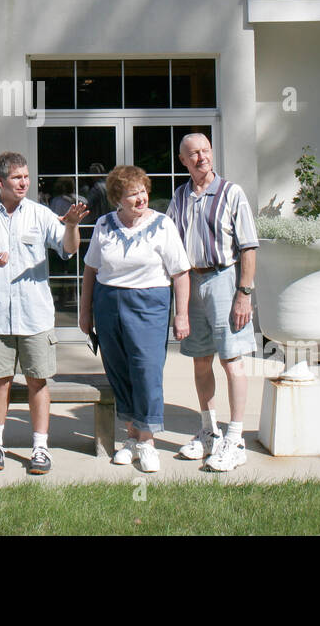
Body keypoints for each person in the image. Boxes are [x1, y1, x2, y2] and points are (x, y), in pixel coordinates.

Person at [0, 151, 87, 474]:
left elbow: (68, 249)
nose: (24, 183)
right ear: (1, 181)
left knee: (38, 382)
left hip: (36, 318)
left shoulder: (40, 214)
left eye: (27, 177)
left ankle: (40, 448)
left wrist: (71, 225)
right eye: (17, 178)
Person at [79, 165, 190, 473]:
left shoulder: (163, 225)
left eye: (143, 192)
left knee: (146, 369)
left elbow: (180, 273)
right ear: (118, 198)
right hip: (109, 303)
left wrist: (181, 315)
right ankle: (131, 437)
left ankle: (148, 441)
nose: (141, 199)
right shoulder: (104, 224)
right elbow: (91, 270)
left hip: (149, 303)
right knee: (119, 369)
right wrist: (85, 311)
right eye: (132, 194)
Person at [165, 133, 259, 472]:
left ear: (212, 154)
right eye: (193, 153)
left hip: (224, 279)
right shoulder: (178, 198)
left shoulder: (232, 193)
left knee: (231, 360)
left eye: (205, 151)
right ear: (183, 160)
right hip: (191, 280)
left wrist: (243, 294)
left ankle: (235, 439)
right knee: (200, 361)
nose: (201, 157)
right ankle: (209, 432)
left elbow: (248, 247)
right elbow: (172, 249)